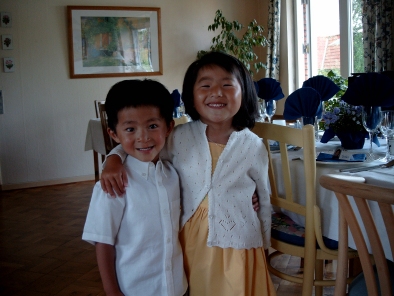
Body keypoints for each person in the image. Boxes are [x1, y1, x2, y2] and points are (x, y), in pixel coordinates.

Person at [101, 52, 276, 296]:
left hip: (240, 242)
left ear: (244, 92)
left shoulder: (254, 145)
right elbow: (142, 147)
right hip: (190, 241)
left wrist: (264, 244)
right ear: (191, 97)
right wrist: (113, 158)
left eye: (227, 84)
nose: (217, 92)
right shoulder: (179, 136)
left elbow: (264, 199)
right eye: (205, 85)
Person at [82, 79, 188, 296]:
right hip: (136, 289)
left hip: (177, 286)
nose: (143, 137)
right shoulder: (113, 184)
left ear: (168, 127)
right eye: (130, 129)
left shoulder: (173, 174)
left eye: (152, 126)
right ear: (114, 134)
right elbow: (103, 242)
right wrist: (111, 291)